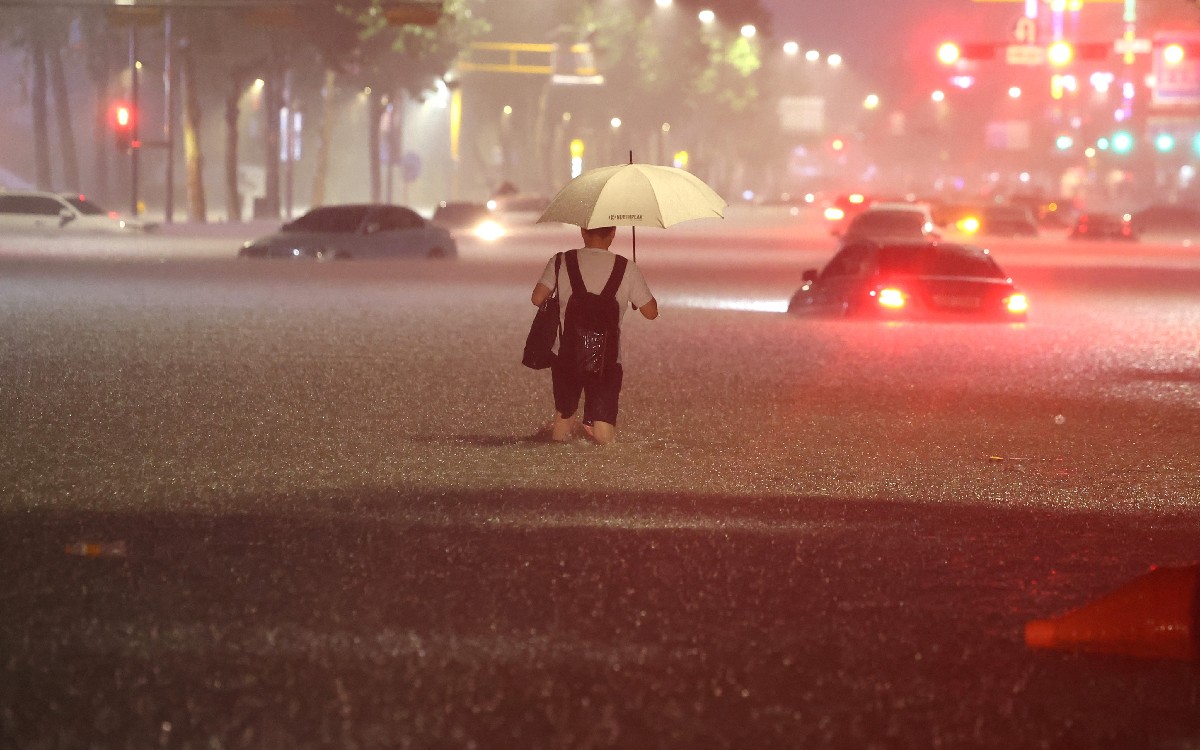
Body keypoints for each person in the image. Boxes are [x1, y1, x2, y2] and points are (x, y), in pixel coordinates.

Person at [530, 225, 657, 445]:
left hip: (566, 356)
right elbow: (651, 312)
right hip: (607, 361)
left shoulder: (561, 261)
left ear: (582, 232)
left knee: (563, 420)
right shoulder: (626, 267)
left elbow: (537, 298)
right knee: (603, 431)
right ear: (613, 233)